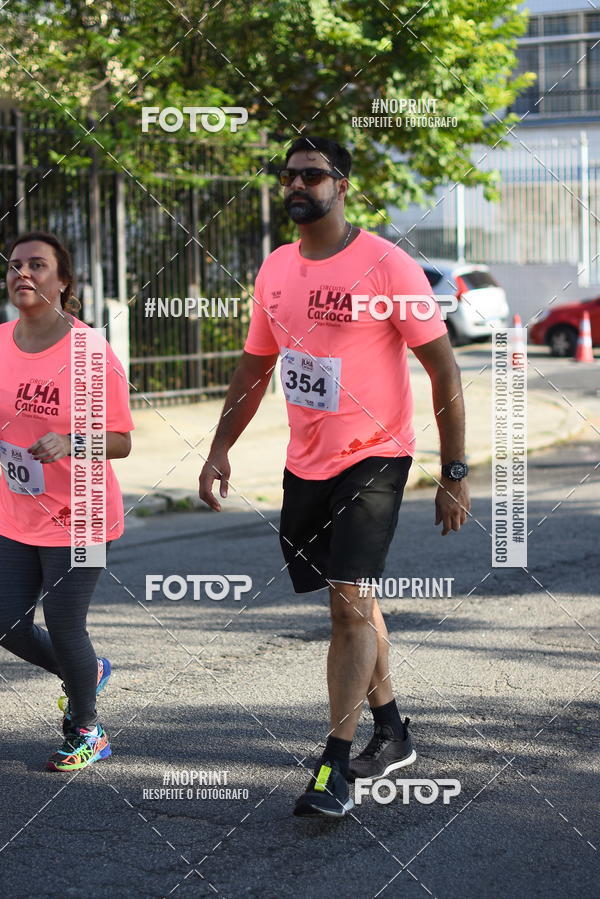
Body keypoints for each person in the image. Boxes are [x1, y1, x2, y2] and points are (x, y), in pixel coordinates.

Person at [199, 137, 470, 818]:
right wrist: (218, 446)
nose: (296, 183)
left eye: (312, 174)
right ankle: (392, 728)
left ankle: (334, 766)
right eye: (288, 174)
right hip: (305, 461)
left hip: (375, 455)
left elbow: (444, 369)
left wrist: (454, 471)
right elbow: (255, 366)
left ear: (341, 185)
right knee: (355, 599)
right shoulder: (276, 269)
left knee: (347, 603)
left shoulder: (386, 264)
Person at [0, 231, 134, 771]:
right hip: (16, 510)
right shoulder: (1, 341)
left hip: (83, 514)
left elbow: (122, 441)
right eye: (14, 266)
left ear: (64, 282)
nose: (23, 274)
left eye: (37, 265)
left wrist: (74, 442)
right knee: (6, 621)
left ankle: (87, 728)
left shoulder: (88, 352)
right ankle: (85, 669)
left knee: (63, 620)